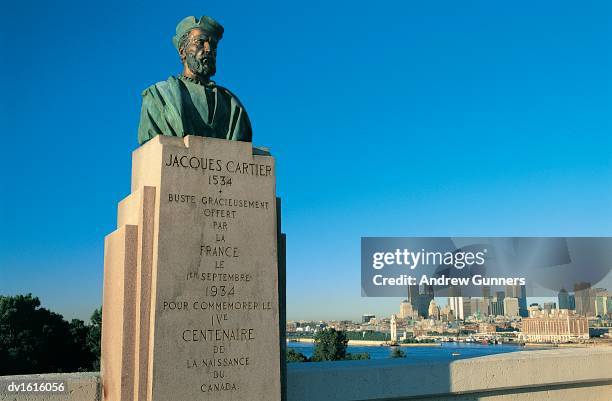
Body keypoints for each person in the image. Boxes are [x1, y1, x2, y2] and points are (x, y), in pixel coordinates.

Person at [137, 16, 252, 145]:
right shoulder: (158, 96)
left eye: (213, 45)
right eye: (200, 42)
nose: (209, 49)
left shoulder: (232, 104)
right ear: (182, 51)